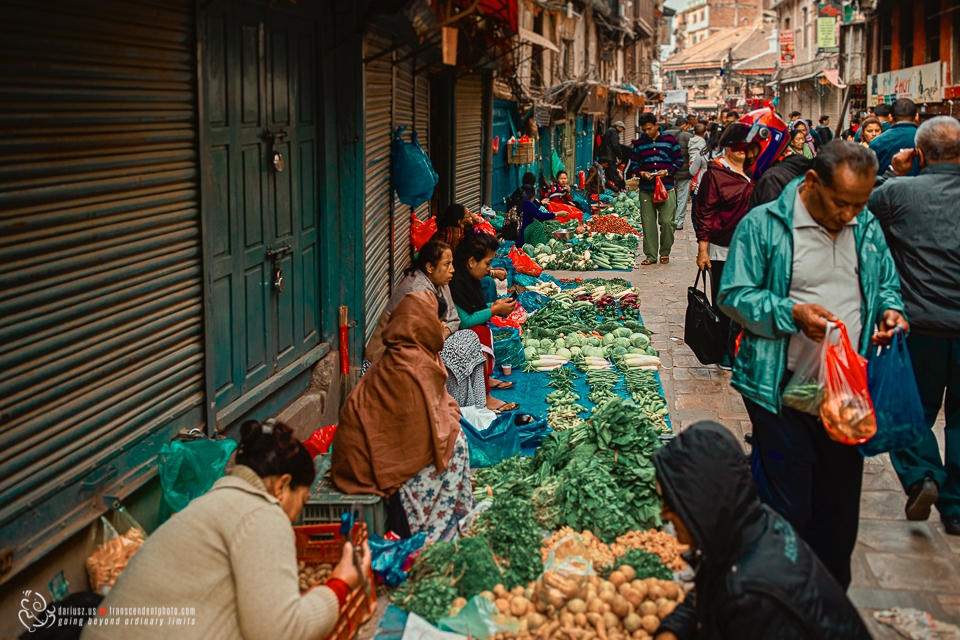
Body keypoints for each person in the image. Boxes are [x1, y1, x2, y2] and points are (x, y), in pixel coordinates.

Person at [717, 141, 908, 589]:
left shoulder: (865, 226)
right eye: (841, 203)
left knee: (838, 515)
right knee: (788, 507)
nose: (849, 215)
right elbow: (733, 294)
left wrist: (890, 315)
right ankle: (779, 598)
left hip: (846, 391)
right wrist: (790, 314)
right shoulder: (764, 227)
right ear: (811, 183)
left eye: (859, 205)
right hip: (777, 387)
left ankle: (826, 606)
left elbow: (886, 288)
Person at [82, 420, 372, 640]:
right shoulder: (261, 514)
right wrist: (340, 583)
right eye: (303, 501)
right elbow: (280, 631)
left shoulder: (214, 502)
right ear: (282, 486)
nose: (297, 516)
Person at [652, 422, 872, 640]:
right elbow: (710, 584)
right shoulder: (752, 525)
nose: (665, 515)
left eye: (671, 506)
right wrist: (673, 629)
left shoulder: (751, 597)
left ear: (699, 508)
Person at [868, 116, 960, 536]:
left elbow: (857, 210)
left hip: (918, 323)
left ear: (919, 154)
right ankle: (955, 508)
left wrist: (891, 173)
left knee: (910, 408)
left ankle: (923, 475)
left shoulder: (899, 193)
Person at [334, 291, 474, 543]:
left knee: (455, 434)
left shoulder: (413, 353)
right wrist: (449, 425)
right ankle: (427, 531)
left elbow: (441, 405)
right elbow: (415, 435)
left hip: (384, 450)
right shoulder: (409, 366)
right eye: (438, 320)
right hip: (369, 463)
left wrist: (449, 419)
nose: (443, 326)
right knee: (455, 446)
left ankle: (443, 521)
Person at [387, 240, 504, 409]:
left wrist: (444, 331)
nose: (452, 269)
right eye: (447, 264)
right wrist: (443, 332)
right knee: (457, 352)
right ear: (429, 267)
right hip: (403, 353)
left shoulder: (441, 283)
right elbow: (422, 339)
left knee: (471, 337)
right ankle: (457, 408)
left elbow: (454, 319)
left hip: (432, 341)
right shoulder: (418, 291)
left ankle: (478, 403)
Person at [694, 131, 756, 369]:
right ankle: (725, 353)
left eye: (747, 145)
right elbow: (705, 212)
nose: (743, 149)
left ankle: (741, 349)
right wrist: (703, 250)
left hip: (752, 249)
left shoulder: (755, 172)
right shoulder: (716, 174)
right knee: (725, 302)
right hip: (723, 248)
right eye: (738, 145)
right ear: (728, 147)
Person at [449, 231, 520, 413]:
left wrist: (493, 305)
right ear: (472, 261)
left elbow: (473, 308)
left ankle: (485, 380)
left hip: (455, 333)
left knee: (483, 328)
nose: (489, 269)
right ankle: (485, 397)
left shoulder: (467, 278)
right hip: (446, 339)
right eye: (487, 263)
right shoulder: (455, 282)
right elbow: (465, 321)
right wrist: (493, 310)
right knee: (478, 331)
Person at [629, 112, 683, 265]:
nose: (647, 132)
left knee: (667, 222)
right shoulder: (639, 144)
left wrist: (667, 171)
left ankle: (665, 251)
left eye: (649, 129)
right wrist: (641, 172)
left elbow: (679, 160)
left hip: (666, 188)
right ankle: (651, 255)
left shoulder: (670, 141)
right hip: (646, 189)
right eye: (644, 130)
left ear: (656, 126)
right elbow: (634, 164)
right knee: (648, 223)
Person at [869, 98, 920, 175]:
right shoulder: (928, 140)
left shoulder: (877, 142)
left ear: (890, 117)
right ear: (916, 116)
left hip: (886, 186)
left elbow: (870, 176)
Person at [512, 171, 556, 244]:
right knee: (537, 225)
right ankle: (536, 244)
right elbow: (541, 216)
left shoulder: (516, 199)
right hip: (520, 238)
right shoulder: (527, 203)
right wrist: (556, 214)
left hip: (513, 234)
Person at [666, 117, 694, 230]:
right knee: (682, 198)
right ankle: (678, 222)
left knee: (668, 195)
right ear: (683, 125)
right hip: (684, 172)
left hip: (668, 172)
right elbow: (692, 154)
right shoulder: (687, 136)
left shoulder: (663, 135)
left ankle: (667, 219)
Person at [687, 123, 709, 229]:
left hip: (693, 165)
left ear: (694, 132)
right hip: (700, 170)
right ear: (705, 134)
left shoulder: (690, 141)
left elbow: (692, 171)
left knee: (695, 214)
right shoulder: (704, 147)